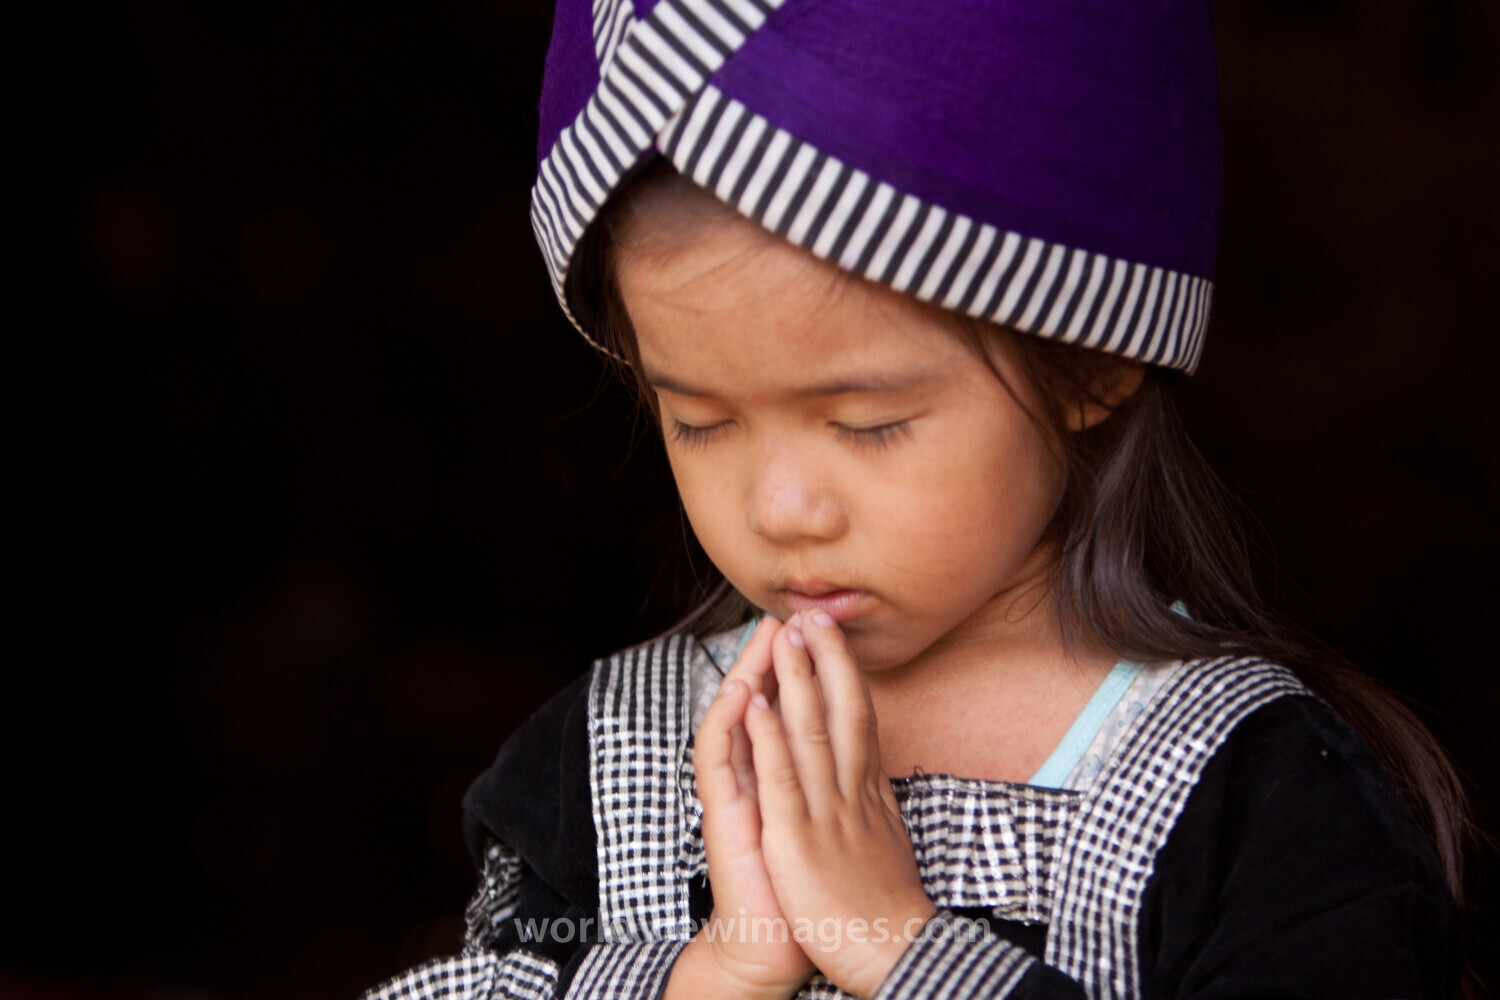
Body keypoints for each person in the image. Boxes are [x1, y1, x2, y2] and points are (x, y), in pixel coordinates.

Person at [364, 0, 1467, 997]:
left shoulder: (1259, 801)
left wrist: (905, 949)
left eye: (867, 422)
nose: (781, 507)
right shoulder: (602, 762)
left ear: (1091, 364)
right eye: (700, 420)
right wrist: (717, 973)